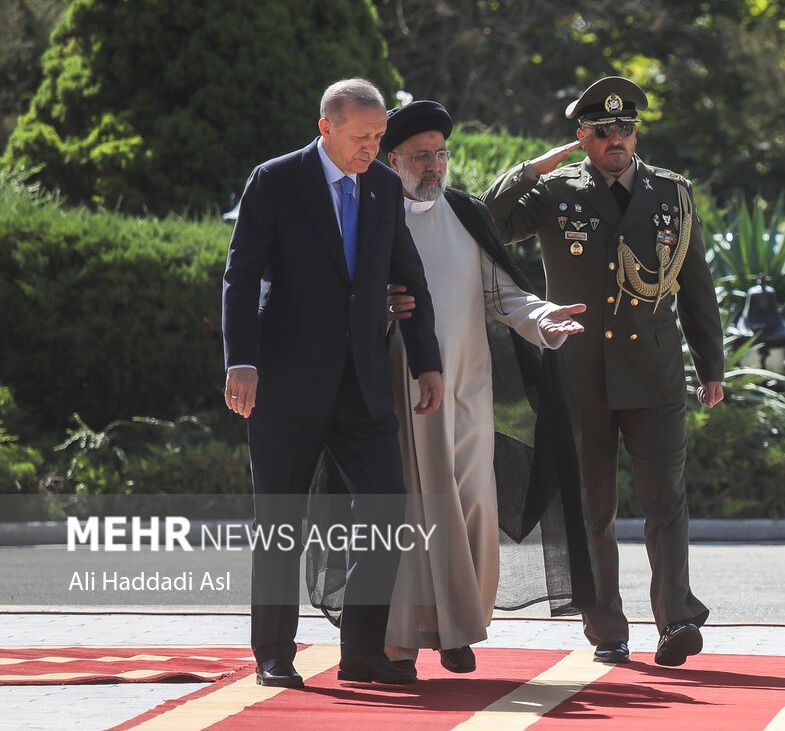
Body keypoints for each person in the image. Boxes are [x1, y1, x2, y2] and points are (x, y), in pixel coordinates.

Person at [482, 76, 725, 667]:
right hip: (581, 375)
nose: (617, 138)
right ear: (582, 137)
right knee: (593, 509)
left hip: (656, 373)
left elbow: (696, 289)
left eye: (626, 128)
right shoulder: (553, 193)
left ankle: (676, 621)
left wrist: (711, 366)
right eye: (602, 130)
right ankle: (607, 629)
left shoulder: (672, 193)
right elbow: (487, 223)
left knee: (665, 501)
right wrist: (528, 171)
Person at [222, 78, 444, 689]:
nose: (372, 149)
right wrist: (240, 360)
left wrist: (427, 360)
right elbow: (239, 277)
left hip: (364, 384)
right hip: (286, 383)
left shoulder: (380, 186)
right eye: (360, 137)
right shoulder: (275, 180)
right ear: (326, 127)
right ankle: (273, 652)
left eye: (378, 137)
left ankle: (363, 652)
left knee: (386, 510)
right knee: (281, 520)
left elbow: (407, 274)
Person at [378, 99, 590, 674]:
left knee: (474, 504)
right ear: (391, 158)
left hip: (469, 389)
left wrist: (543, 318)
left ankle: (459, 627)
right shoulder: (370, 217)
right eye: (420, 156)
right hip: (402, 389)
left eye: (440, 155)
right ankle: (399, 639)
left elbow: (504, 295)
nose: (433, 166)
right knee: (420, 510)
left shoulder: (467, 214)